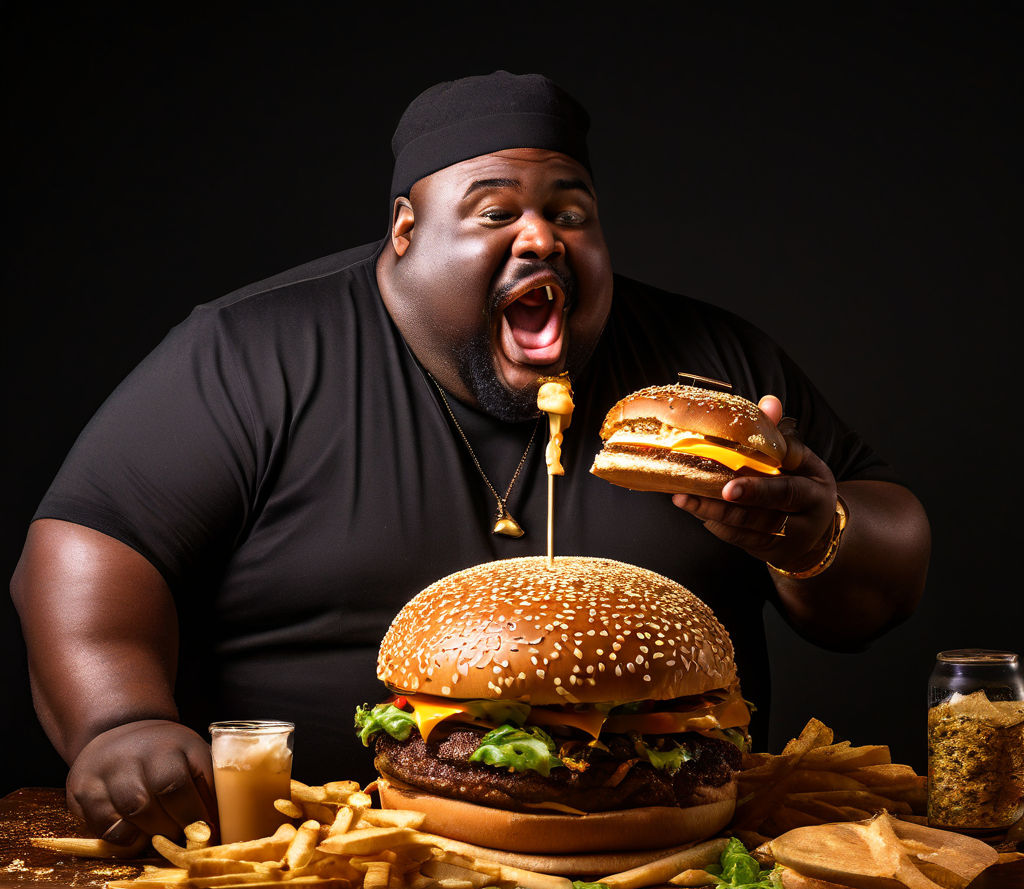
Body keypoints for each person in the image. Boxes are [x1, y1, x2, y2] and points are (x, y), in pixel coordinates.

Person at [10, 71, 930, 846]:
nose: (542, 239)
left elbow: (881, 569)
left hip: (673, 864)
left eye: (572, 212)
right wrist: (118, 722)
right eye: (497, 212)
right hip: (323, 865)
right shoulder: (250, 354)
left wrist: (813, 534)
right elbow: (90, 544)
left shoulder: (712, 369)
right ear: (406, 231)